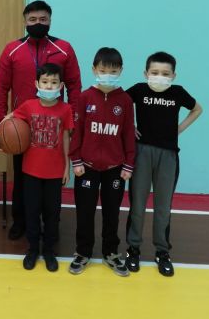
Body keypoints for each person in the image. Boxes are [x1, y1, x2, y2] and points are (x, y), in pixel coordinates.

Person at [0, 0, 81, 240]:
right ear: (25, 22)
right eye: (32, 20)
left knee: (51, 179)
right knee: (23, 177)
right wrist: (2, 122)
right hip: (21, 126)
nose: (38, 23)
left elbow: (74, 86)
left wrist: (73, 120)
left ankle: (50, 223)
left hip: (54, 125)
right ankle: (20, 221)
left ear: (50, 20)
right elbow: (1, 87)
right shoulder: (12, 49)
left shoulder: (64, 49)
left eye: (43, 19)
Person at [125, 51, 203, 277]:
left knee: (162, 207)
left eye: (165, 73)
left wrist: (180, 128)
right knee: (137, 205)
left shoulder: (177, 93)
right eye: (155, 72)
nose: (160, 76)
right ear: (146, 73)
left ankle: (162, 251)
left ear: (173, 76)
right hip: (142, 153)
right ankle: (133, 249)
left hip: (168, 155)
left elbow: (197, 109)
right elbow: (118, 106)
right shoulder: (139, 90)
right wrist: (129, 126)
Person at [68, 47, 135, 276]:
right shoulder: (84, 97)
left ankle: (111, 252)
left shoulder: (125, 100)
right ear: (94, 69)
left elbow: (128, 134)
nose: (108, 75)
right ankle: (82, 252)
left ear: (121, 71)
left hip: (115, 168)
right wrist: (76, 159)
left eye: (113, 71)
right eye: (103, 70)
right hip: (86, 167)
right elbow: (77, 132)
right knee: (84, 212)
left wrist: (129, 164)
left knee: (112, 212)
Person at [5, 63, 73, 272]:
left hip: (55, 172)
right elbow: (11, 121)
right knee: (32, 212)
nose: (49, 86)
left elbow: (65, 138)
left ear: (60, 86)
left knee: (52, 213)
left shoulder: (65, 109)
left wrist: (67, 167)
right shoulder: (28, 106)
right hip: (31, 171)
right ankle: (33, 249)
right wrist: (1, 135)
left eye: (54, 82)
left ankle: (49, 250)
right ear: (37, 84)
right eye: (45, 82)